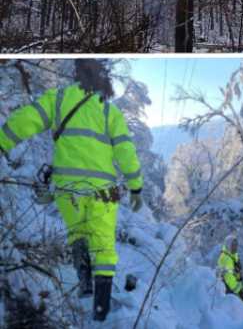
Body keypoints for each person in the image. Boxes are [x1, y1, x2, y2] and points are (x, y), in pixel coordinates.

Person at [0, 59, 144, 322]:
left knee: (78, 233)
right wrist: (136, 186)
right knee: (103, 247)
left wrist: (2, 142)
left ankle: (85, 286)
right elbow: (125, 151)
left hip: (67, 190)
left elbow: (27, 119)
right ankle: (101, 313)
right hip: (102, 191)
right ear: (102, 80)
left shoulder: (58, 100)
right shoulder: (108, 112)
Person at [218, 235, 243, 305]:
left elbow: (236, 271)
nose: (235, 247)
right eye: (233, 245)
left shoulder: (234, 256)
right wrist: (240, 291)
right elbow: (228, 277)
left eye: (236, 245)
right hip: (229, 291)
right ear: (228, 245)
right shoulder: (226, 258)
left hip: (235, 288)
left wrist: (241, 281)